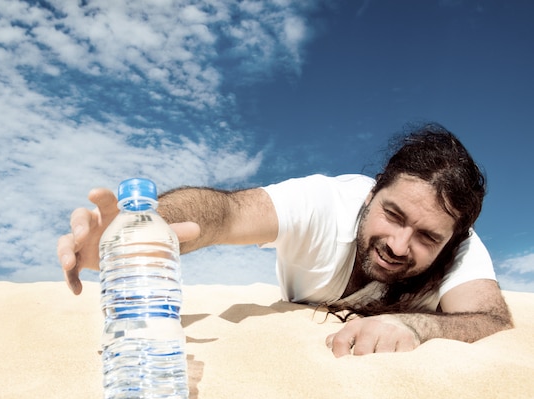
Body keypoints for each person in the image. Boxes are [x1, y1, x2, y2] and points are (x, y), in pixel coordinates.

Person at [57, 123, 514, 357]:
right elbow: (224, 212)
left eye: (426, 238)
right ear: (373, 194)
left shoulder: (461, 247)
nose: (398, 244)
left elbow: (490, 321)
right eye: (393, 215)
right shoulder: (325, 201)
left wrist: (418, 326)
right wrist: (143, 229)